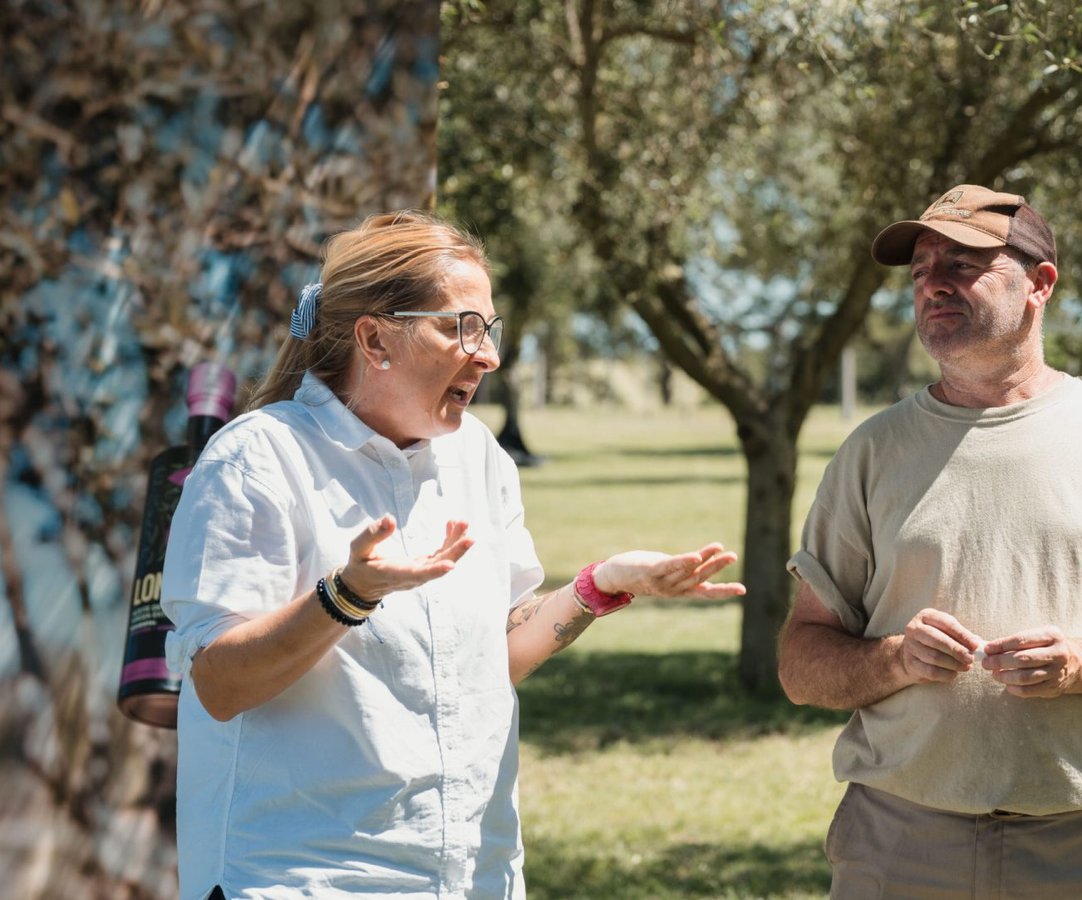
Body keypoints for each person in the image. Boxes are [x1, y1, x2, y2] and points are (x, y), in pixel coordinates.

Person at [160, 210, 745, 899]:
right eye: (460, 327)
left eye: (489, 329)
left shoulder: (480, 459)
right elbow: (220, 685)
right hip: (305, 877)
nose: (488, 355)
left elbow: (487, 664)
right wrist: (346, 596)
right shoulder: (258, 459)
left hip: (473, 877)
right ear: (375, 339)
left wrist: (598, 585)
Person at [777, 184, 1082, 897]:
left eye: (964, 263)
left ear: (1040, 284)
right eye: (921, 269)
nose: (934, 282)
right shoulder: (870, 454)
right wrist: (896, 660)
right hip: (898, 841)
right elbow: (800, 661)